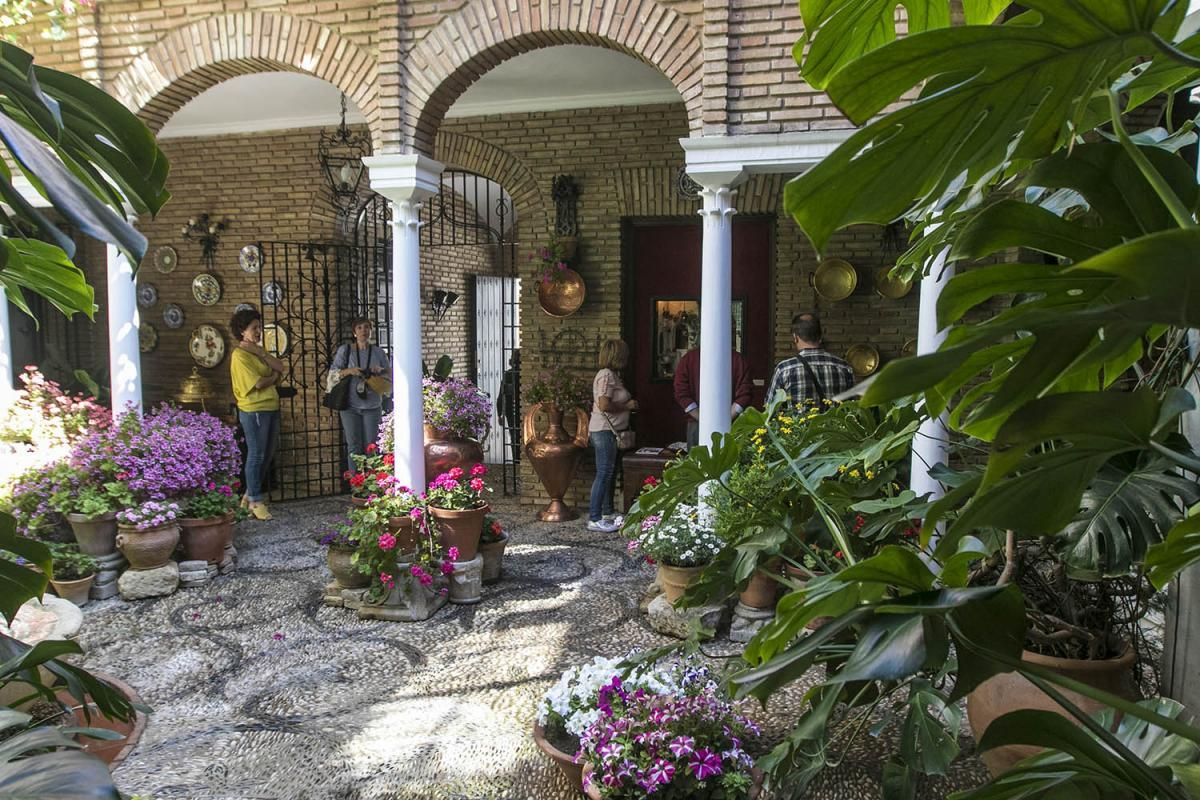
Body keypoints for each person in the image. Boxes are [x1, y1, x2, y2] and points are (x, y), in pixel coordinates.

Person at [230, 307, 286, 521]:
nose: (258, 332)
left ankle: (247, 495)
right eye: (254, 328)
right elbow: (259, 383)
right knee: (257, 454)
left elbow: (280, 366)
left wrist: (262, 354)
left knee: (268, 453)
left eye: (259, 327)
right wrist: (273, 378)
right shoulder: (240, 355)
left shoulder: (257, 352)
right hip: (254, 410)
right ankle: (255, 499)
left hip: (270, 406)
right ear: (242, 331)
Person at [588, 339, 637, 533]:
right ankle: (594, 517)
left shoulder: (612, 375)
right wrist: (628, 406)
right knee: (604, 473)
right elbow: (604, 405)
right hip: (604, 431)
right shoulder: (606, 376)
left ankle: (607, 513)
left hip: (611, 432)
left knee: (610, 473)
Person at [331, 316, 391, 473]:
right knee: (354, 445)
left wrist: (380, 370)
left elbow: (390, 376)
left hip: (372, 404)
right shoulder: (346, 351)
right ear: (354, 332)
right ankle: (356, 483)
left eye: (366, 327)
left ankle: (373, 482)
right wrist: (350, 371)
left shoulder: (378, 352)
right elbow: (333, 374)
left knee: (372, 445)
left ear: (371, 331)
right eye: (359, 328)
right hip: (350, 405)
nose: (363, 331)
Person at [767, 313, 856, 408]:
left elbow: (770, 408)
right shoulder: (843, 367)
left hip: (798, 423)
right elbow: (853, 406)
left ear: (795, 337)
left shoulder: (784, 369)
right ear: (820, 337)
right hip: (835, 423)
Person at [673, 347, 754, 447]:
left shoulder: (689, 359)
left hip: (701, 422)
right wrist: (727, 418)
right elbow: (745, 394)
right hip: (724, 422)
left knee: (698, 461)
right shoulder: (738, 360)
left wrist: (702, 418)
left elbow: (681, 392)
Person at [496, 349, 521, 464]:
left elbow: (502, 394)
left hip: (511, 410)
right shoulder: (524, 374)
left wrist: (500, 413)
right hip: (522, 409)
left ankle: (517, 461)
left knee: (514, 436)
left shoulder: (508, 374)